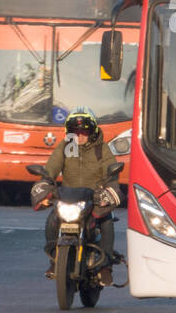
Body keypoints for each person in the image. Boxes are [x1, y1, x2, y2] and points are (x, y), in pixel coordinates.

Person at [40, 109, 121, 285]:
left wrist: (107, 192)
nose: (80, 136)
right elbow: (51, 168)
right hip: (68, 198)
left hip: (95, 199)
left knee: (107, 222)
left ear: (92, 132)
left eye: (84, 131)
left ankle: (105, 267)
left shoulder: (102, 148)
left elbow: (111, 173)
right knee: (51, 221)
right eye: (75, 132)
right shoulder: (65, 147)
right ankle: (55, 261)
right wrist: (46, 185)